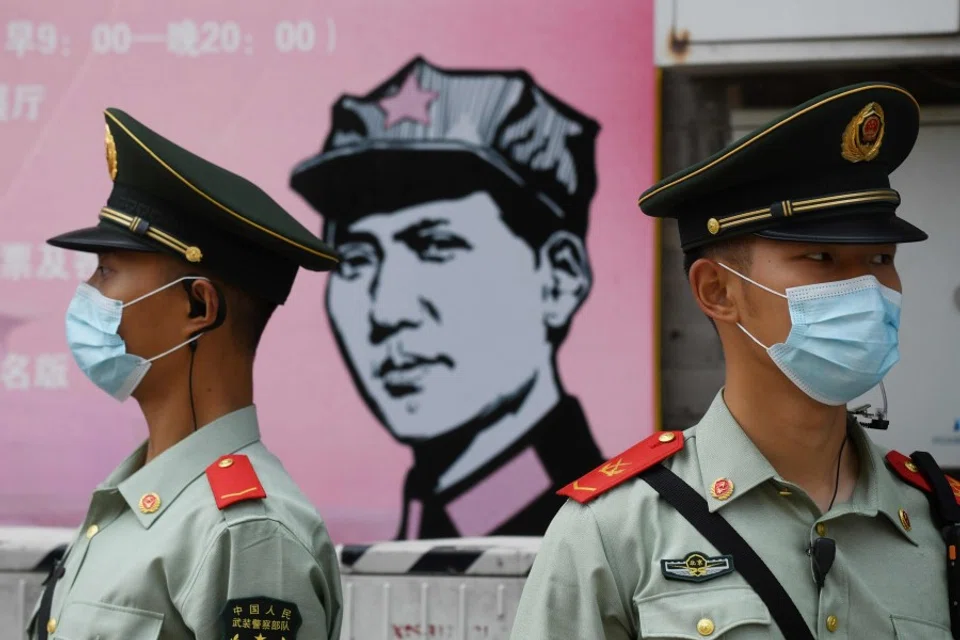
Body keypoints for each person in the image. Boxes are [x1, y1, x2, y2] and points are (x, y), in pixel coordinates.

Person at [510, 82, 960, 639]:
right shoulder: (615, 532)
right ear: (718, 291)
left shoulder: (940, 525)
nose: (866, 289)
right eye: (821, 257)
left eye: (880, 258)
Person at [28, 108, 344, 640]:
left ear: (198, 306)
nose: (88, 293)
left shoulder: (244, 534)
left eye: (106, 271)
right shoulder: (129, 503)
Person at [289, 56, 604, 539]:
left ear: (558, 279)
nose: (386, 311)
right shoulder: (429, 518)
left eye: (436, 246)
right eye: (355, 261)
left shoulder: (604, 531)